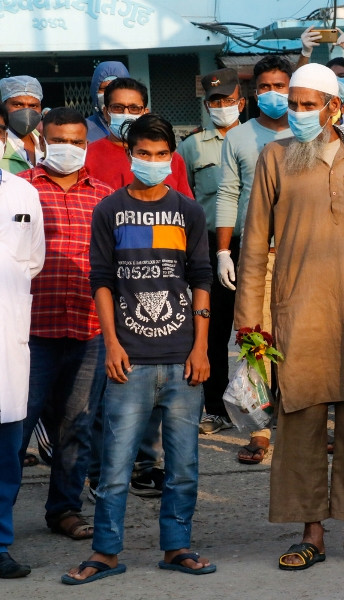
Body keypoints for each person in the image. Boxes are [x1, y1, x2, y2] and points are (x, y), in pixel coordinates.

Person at [234, 63, 344, 570]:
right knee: (300, 418)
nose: (297, 113)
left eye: (308, 105)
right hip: (298, 306)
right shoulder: (275, 156)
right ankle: (310, 531)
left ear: (334, 108)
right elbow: (254, 244)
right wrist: (251, 320)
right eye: (293, 104)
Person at [64, 114, 215, 584]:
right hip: (128, 360)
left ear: (172, 157)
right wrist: (111, 344)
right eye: (143, 154)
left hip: (183, 359)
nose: (152, 162)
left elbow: (201, 280)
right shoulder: (109, 210)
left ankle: (177, 546)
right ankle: (105, 552)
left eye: (160, 154)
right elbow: (102, 281)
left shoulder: (188, 212)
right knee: (114, 467)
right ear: (130, 156)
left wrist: (202, 348)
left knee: (184, 465)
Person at [86, 76, 193, 498]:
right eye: (119, 107)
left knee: (150, 377)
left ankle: (146, 464)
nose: (127, 115)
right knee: (106, 383)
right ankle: (101, 470)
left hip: (157, 284)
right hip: (107, 282)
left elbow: (181, 212)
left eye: (135, 107)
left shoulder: (170, 159)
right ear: (105, 108)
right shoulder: (91, 154)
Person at [16, 108, 114, 541]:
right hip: (29, 328)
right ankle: (4, 514)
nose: (69, 149)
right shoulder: (19, 191)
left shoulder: (106, 196)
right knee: (16, 425)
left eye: (77, 142)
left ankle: (65, 510)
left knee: (77, 424)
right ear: (42, 138)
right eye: (60, 140)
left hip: (89, 325)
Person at [216, 55, 293, 464]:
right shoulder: (239, 137)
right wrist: (224, 251)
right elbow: (229, 194)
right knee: (255, 342)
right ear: (253, 92)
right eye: (265, 87)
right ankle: (260, 429)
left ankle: (300, 427)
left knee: (299, 342)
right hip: (256, 255)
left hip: (301, 255)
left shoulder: (309, 134)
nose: (273, 93)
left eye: (281, 85)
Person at [178, 68, 245, 436]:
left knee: (259, 328)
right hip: (208, 246)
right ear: (207, 106)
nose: (222, 107)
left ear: (241, 102)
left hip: (251, 242)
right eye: (215, 102)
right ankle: (216, 407)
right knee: (214, 328)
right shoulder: (192, 146)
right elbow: (185, 197)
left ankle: (265, 405)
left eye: (229, 101)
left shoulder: (257, 139)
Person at [0, 102, 45, 579]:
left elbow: (33, 260)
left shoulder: (21, 192)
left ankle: (0, 544)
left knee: (5, 458)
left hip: (7, 344)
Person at [0, 75, 44, 173]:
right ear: (3, 105)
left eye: (33, 106)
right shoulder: (1, 145)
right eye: (18, 104)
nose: (26, 111)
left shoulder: (47, 143)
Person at [86, 61, 130, 143]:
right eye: (105, 89)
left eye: (117, 87)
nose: (110, 93)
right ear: (95, 91)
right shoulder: (84, 128)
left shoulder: (143, 128)